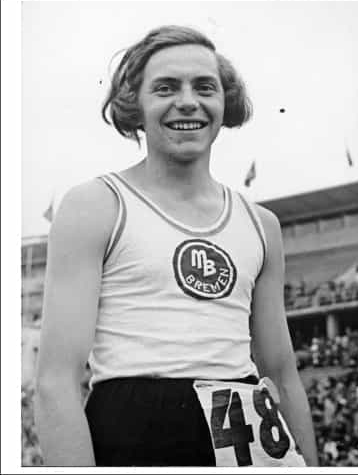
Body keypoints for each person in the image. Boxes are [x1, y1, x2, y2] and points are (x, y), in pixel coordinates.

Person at [35, 25, 318, 467]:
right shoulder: (96, 205)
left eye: (204, 87)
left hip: (248, 432)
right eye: (165, 87)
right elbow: (56, 380)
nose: (188, 100)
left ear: (226, 103)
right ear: (136, 105)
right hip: (135, 425)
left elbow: (281, 373)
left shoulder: (262, 224)